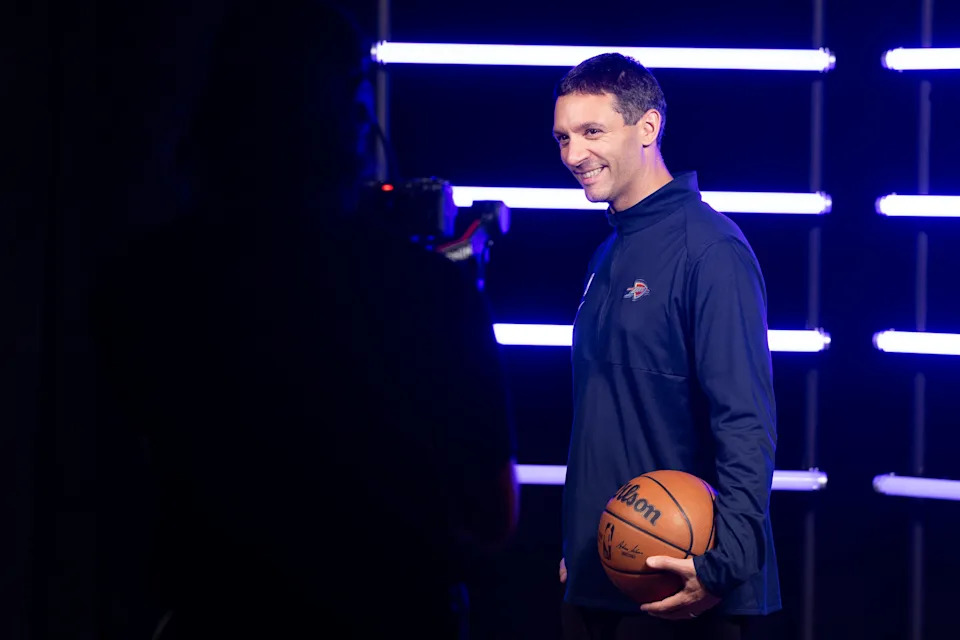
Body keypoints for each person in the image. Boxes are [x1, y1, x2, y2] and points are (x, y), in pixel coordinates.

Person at [92, 1, 518, 638]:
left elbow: (104, 511)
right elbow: (491, 522)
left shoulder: (147, 281)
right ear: (350, 117)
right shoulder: (427, 294)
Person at [552, 53, 780, 639]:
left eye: (592, 132)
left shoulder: (711, 249)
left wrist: (720, 566)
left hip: (685, 591)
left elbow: (746, 423)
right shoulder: (605, 254)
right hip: (602, 580)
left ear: (648, 128)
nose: (573, 154)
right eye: (563, 137)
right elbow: (608, 414)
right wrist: (581, 541)